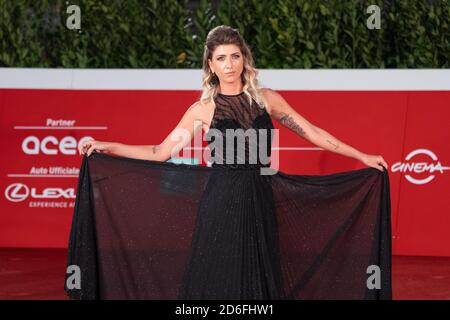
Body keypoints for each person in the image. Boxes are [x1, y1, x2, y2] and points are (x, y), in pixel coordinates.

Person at [66, 25, 392, 300]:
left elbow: (313, 133)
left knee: (259, 269)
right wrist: (109, 146)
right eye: (221, 58)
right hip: (221, 200)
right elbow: (159, 152)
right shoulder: (202, 110)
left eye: (235, 56)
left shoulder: (268, 99)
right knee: (220, 272)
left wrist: (360, 155)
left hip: (261, 195)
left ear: (244, 59)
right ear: (211, 64)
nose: (229, 64)